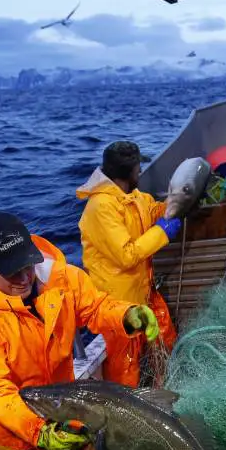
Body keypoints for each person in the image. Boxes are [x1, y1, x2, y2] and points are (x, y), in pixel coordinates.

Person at [0, 211, 160, 450]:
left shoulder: (61, 278)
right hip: (11, 435)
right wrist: (39, 431)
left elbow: (96, 307)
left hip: (66, 408)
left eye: (28, 264)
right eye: (13, 272)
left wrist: (124, 315)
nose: (25, 277)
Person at [76, 140, 181, 387]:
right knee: (126, 367)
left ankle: (162, 392)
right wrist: (163, 232)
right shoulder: (100, 207)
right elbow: (126, 254)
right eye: (137, 168)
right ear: (129, 173)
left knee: (165, 342)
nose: (140, 172)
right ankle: (130, 414)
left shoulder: (132, 196)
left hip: (143, 291)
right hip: (120, 305)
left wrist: (174, 207)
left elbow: (151, 210)